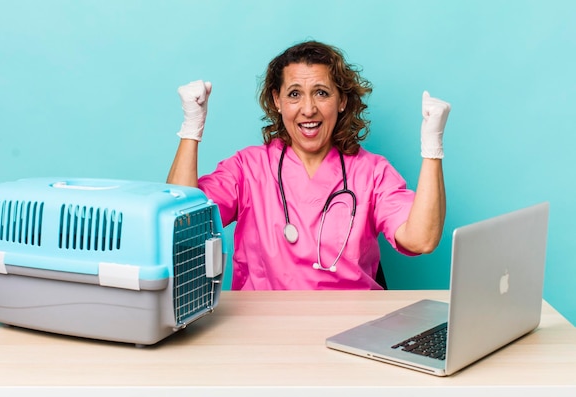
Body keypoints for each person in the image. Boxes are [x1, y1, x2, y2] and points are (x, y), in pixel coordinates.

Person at [167, 40, 450, 290]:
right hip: (262, 328)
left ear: (341, 101)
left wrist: (432, 148)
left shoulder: (372, 172)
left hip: (353, 326)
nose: (308, 109)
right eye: (294, 94)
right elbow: (180, 223)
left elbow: (421, 239)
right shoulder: (248, 168)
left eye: (322, 93)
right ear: (277, 100)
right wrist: (191, 129)